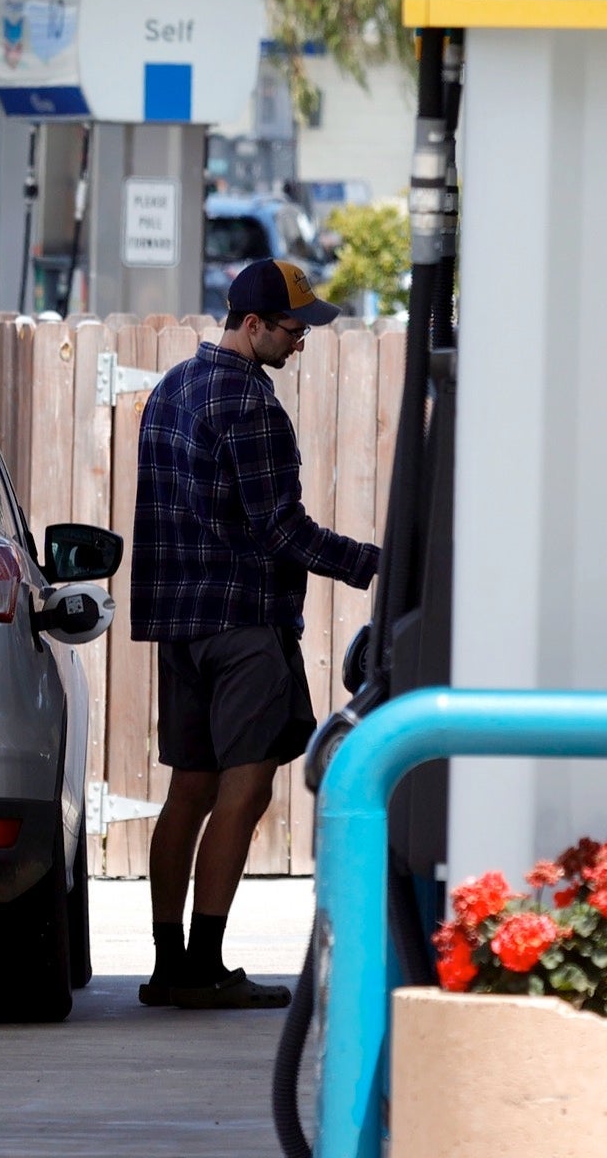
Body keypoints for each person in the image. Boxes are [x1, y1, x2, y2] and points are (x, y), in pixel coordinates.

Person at [131, 258, 381, 1009]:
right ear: (251, 324)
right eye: (292, 327)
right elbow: (283, 531)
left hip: (180, 625)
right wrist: (379, 566)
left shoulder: (172, 388)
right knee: (245, 790)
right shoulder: (251, 405)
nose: (301, 340)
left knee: (188, 793)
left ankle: (168, 963)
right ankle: (205, 966)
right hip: (242, 624)